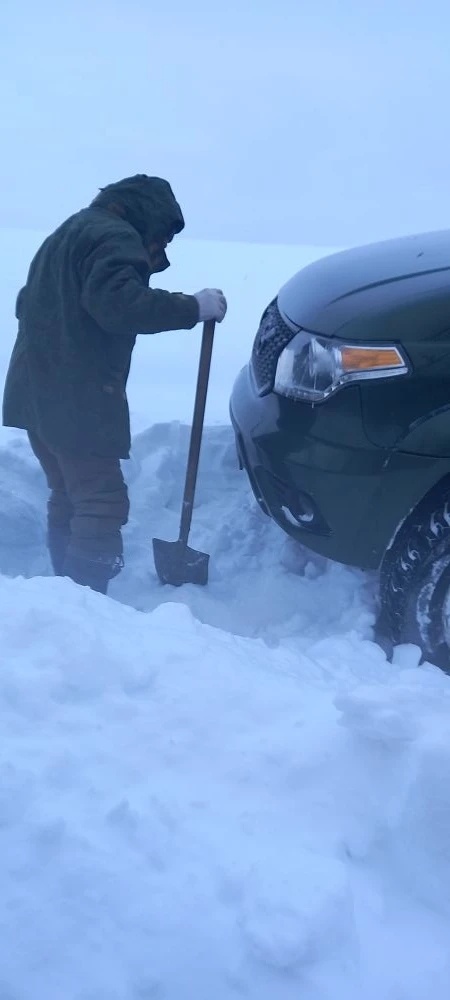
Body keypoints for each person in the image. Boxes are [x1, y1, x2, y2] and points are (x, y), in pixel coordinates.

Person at [2, 174, 227, 595]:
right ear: (144, 215)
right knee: (102, 504)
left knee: (69, 494)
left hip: (35, 392)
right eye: (161, 235)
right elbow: (118, 305)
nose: (160, 246)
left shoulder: (70, 231)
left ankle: (63, 597)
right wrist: (192, 307)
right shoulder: (115, 236)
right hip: (76, 398)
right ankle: (87, 608)